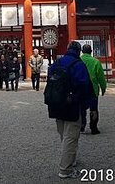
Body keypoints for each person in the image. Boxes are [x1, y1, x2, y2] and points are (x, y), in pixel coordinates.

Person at [47, 41, 91, 179]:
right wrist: (86, 105)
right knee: (71, 136)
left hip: (56, 104)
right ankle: (65, 170)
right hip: (72, 104)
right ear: (79, 52)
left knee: (63, 133)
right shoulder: (78, 65)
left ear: (67, 49)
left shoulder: (57, 63)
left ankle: (71, 159)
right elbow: (85, 85)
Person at [80, 44, 107, 135]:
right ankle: (93, 127)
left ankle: (82, 125)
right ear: (91, 51)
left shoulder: (78, 60)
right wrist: (103, 88)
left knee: (81, 108)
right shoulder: (96, 62)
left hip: (81, 88)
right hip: (93, 88)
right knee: (94, 109)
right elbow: (101, 77)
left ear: (82, 51)